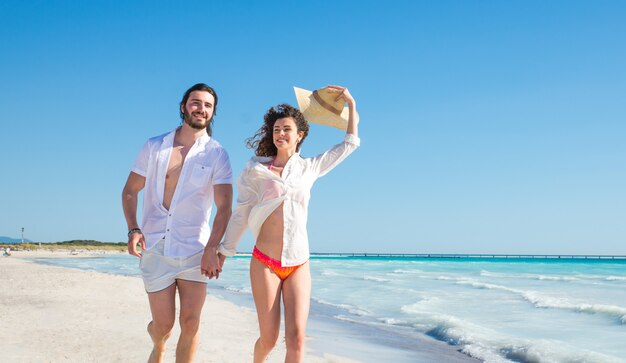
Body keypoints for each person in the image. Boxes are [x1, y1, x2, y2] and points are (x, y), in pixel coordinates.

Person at [212, 85, 360, 362]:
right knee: (268, 339)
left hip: (298, 263)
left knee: (297, 340)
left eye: (287, 129)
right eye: (277, 129)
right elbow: (241, 212)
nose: (280, 133)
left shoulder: (309, 168)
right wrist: (224, 251)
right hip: (265, 262)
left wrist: (350, 104)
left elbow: (349, 143)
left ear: (299, 135)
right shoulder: (255, 171)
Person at [121, 83, 233, 363]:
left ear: (213, 113)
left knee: (191, 323)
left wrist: (212, 248)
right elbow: (130, 190)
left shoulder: (217, 153)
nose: (201, 109)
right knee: (163, 327)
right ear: (184, 106)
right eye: (196, 102)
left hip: (196, 250)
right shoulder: (154, 146)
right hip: (156, 246)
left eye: (208, 105)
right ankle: (157, 344)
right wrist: (133, 228)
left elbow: (224, 207)